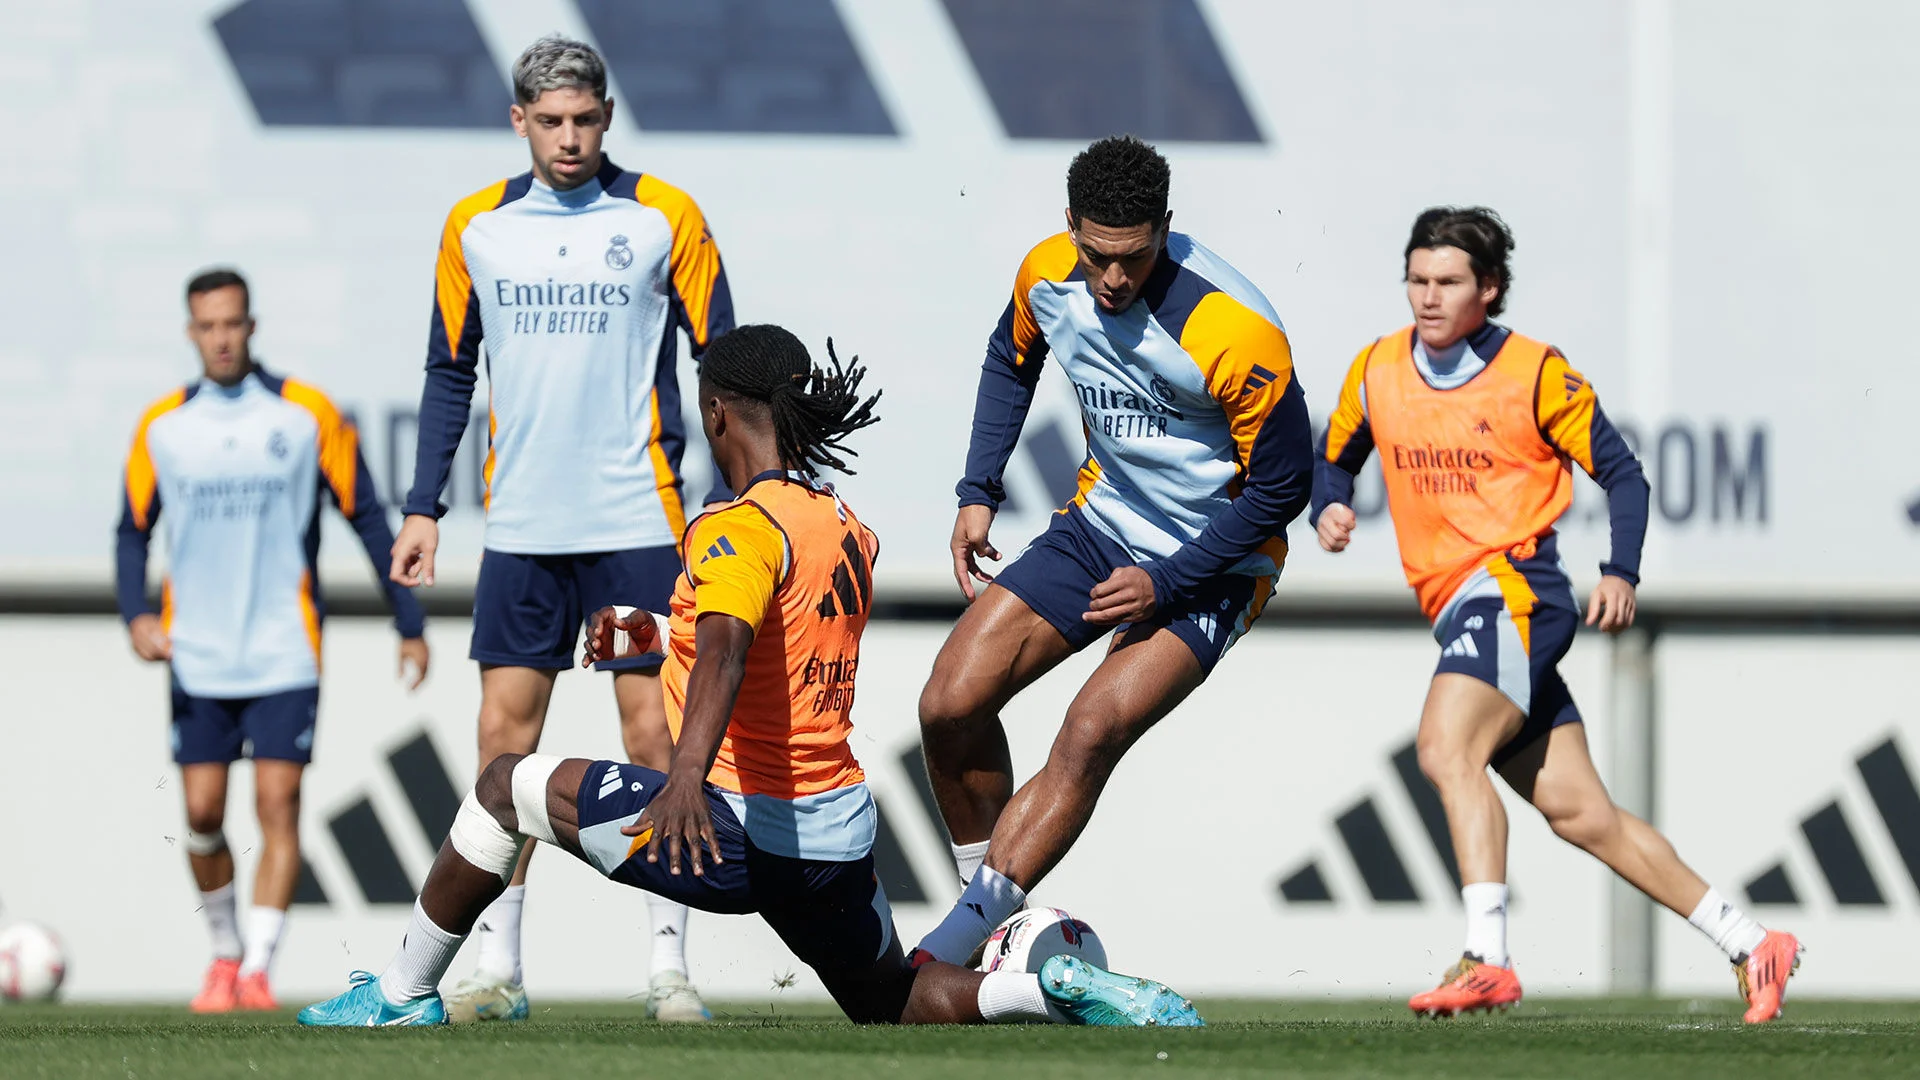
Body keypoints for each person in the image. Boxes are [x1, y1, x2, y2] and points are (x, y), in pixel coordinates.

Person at [297, 324, 1203, 1029]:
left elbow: (730, 643)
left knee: (504, 788)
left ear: (719, 411)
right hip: (837, 837)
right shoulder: (841, 521)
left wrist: (683, 778)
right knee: (889, 1002)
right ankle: (1043, 992)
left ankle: (405, 993)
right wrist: (660, 628)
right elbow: (773, 631)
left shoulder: (734, 525)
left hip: (733, 825)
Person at [1312, 206, 1801, 1022]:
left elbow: (1624, 474)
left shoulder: (1533, 372)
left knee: (1444, 748)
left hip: (1515, 590)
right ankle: (1752, 943)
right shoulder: (1377, 368)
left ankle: (1488, 958)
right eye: (1417, 280)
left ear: (1489, 289)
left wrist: (1621, 571)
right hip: (1460, 604)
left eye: (1449, 282)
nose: (1428, 298)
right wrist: (1332, 506)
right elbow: (1336, 458)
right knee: (1584, 815)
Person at [389, 35, 734, 1023]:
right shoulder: (476, 228)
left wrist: (730, 499)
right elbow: (448, 370)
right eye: (551, 122)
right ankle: (499, 968)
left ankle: (669, 968)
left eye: (585, 119)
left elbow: (726, 361)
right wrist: (424, 508)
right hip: (527, 535)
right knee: (505, 741)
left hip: (637, 525)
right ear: (519, 122)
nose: (570, 138)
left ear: (608, 117)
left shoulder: (664, 216)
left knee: (651, 732)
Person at [912, 135, 1313, 966]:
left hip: (1217, 563)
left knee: (1090, 728)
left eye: (1133, 258)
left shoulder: (1236, 329)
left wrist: (1165, 580)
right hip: (1102, 527)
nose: (1114, 279)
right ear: (1071, 228)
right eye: (1097, 255)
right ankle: (990, 925)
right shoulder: (1046, 273)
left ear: (1165, 228)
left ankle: (952, 951)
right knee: (949, 705)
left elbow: (1283, 492)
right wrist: (977, 492)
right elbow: (1008, 358)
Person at [117, 268, 429, 1012]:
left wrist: (409, 622)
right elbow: (131, 530)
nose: (222, 338)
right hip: (198, 653)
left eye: (232, 323)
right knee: (199, 813)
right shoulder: (164, 426)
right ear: (192, 333)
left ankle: (255, 968)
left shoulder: (304, 414)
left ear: (251, 327)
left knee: (279, 803)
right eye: (208, 326)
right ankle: (224, 952)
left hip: (285, 648)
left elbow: (368, 518)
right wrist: (136, 614)